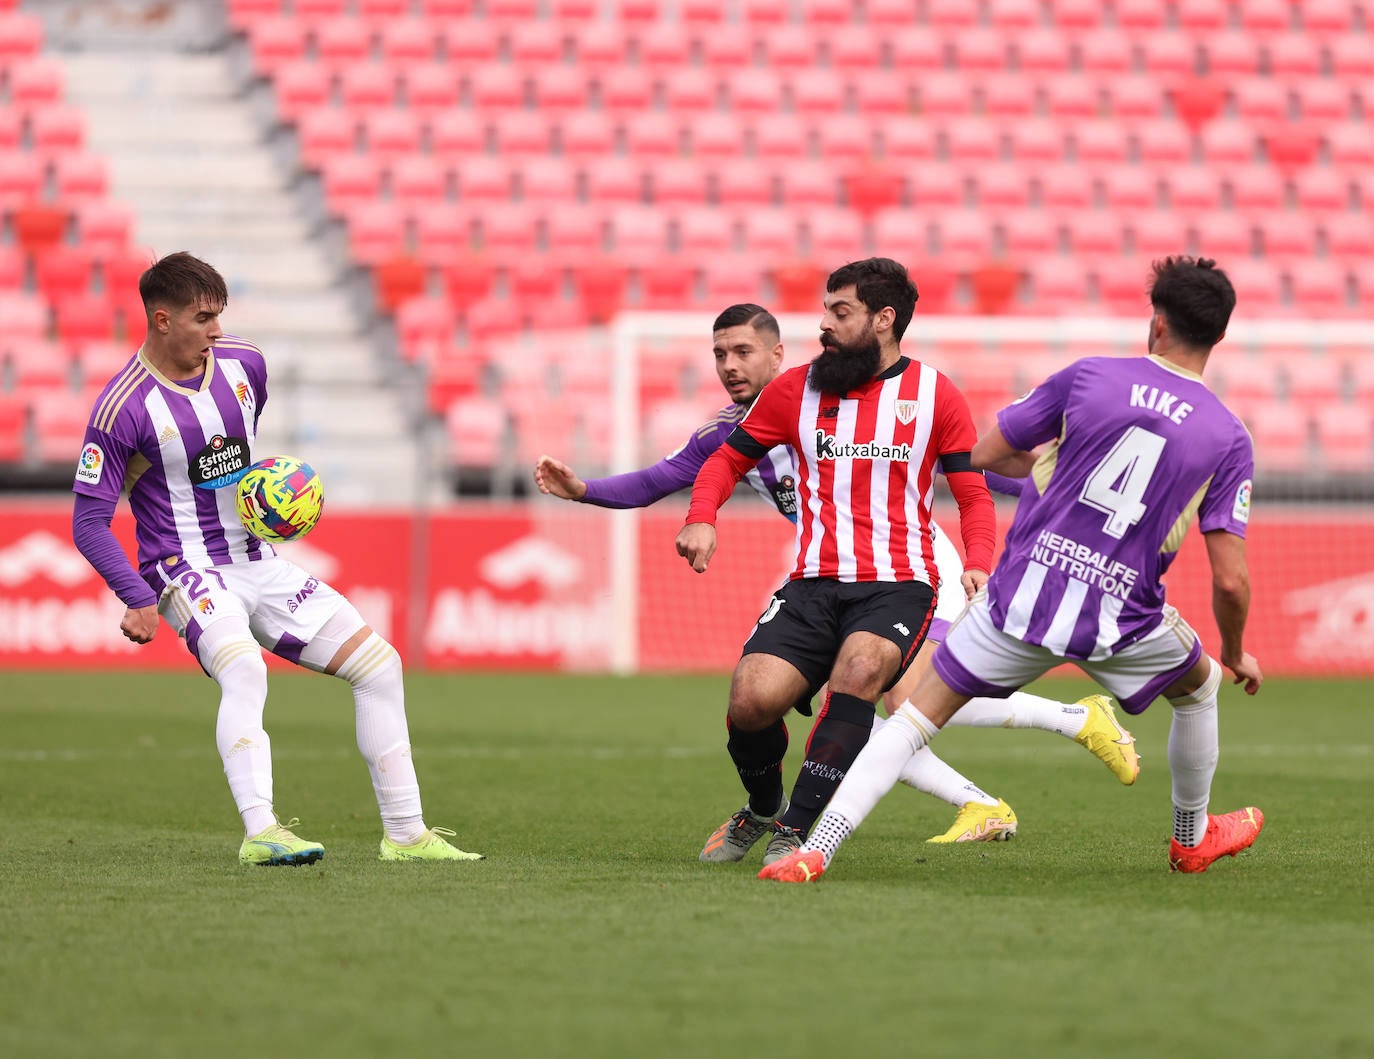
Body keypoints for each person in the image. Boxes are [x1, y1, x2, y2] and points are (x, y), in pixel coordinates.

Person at [541, 302, 1140, 856]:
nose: (729, 366)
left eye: (743, 352)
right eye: (720, 354)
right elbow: (657, 480)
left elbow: (966, 469)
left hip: (912, 561)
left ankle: (1061, 733)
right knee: (871, 704)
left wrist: (1059, 487)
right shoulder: (729, 431)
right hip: (829, 572)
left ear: (778, 356)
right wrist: (584, 491)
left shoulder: (843, 401)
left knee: (901, 697)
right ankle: (992, 792)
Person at [761, 256, 1264, 883]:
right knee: (1202, 690)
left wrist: (1059, 462)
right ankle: (1191, 838)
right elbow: (1230, 580)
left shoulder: (1090, 379)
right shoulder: (1228, 435)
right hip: (1123, 619)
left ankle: (816, 849)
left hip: (1019, 601)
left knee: (911, 720)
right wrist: (1237, 650)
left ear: (1156, 323)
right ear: (1219, 335)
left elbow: (989, 452)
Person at [69, 251, 482, 866]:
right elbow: (89, 521)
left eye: (219, 316)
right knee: (245, 669)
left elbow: (234, 455)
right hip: (185, 569)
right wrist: (136, 596)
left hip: (256, 560)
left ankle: (406, 836)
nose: (216, 331)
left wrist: (266, 497)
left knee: (380, 666)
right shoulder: (122, 408)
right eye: (203, 318)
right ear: (161, 320)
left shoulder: (245, 365)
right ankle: (262, 831)